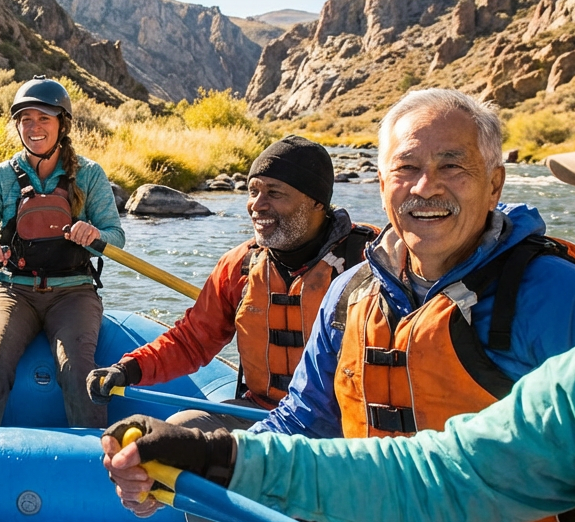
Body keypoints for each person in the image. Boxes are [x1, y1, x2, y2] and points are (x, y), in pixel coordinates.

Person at [103, 105, 575, 522]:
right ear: (381, 182)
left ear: (495, 184)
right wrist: (208, 457)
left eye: (452, 166)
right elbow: (433, 473)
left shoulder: (565, 300)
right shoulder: (351, 291)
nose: (425, 186)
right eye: (406, 167)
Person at [87, 135, 378, 432]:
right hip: (261, 412)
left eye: (274, 193)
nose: (257, 205)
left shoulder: (374, 260)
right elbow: (192, 341)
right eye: (253, 191)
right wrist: (128, 369)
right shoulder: (240, 265)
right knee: (178, 432)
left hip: (346, 420)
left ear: (317, 202)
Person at [0, 76, 125, 428]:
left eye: (43, 118)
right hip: (13, 290)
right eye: (26, 120)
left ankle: (99, 453)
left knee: (79, 367)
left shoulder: (89, 174)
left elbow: (117, 237)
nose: (34, 127)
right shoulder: (1, 176)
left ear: (62, 125)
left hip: (73, 293)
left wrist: (95, 235)